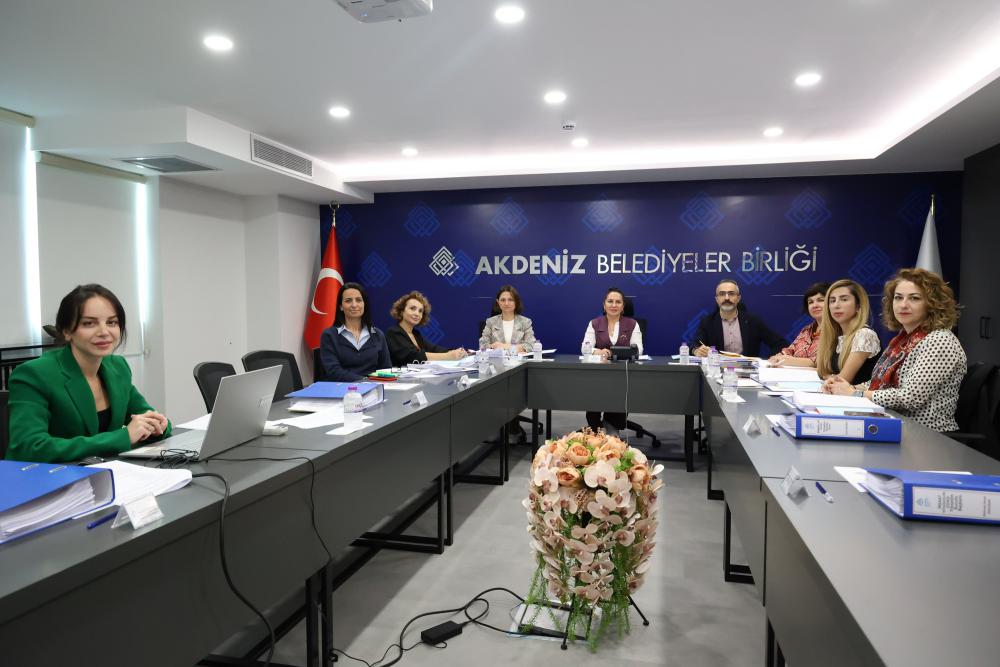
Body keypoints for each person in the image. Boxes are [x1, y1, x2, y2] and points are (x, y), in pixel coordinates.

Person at [7, 284, 171, 463]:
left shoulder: (118, 367)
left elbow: (145, 415)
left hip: (107, 472)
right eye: (89, 323)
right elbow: (28, 447)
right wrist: (123, 437)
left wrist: (158, 425)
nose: (104, 332)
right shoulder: (34, 374)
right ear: (66, 331)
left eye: (112, 322)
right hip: (49, 476)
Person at [824, 268, 966, 432]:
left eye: (914, 298)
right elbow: (875, 383)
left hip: (926, 434)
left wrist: (855, 394)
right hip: (893, 423)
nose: (903, 305)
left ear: (932, 304)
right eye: (898, 298)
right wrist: (842, 387)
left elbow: (911, 398)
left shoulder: (939, 340)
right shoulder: (902, 340)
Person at [581, 287, 643, 431]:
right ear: (604, 305)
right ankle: (595, 430)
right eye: (610, 301)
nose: (614, 305)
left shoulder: (632, 324)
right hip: (598, 375)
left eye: (618, 302)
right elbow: (585, 347)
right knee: (594, 406)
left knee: (615, 416)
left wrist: (617, 353)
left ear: (623, 306)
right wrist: (597, 351)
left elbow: (639, 350)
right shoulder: (594, 323)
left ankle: (612, 430)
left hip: (623, 374)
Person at [693, 279, 786, 357]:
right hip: (718, 370)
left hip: (747, 370)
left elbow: (780, 344)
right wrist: (696, 351)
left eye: (731, 294)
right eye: (722, 294)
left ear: (738, 298)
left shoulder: (753, 321)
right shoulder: (707, 322)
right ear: (717, 299)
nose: (726, 298)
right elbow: (694, 345)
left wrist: (771, 359)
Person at [320, 282, 392, 381]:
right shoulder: (329, 335)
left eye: (358, 300)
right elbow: (333, 371)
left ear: (364, 304)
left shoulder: (378, 335)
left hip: (374, 388)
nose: (354, 305)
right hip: (342, 388)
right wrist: (364, 381)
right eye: (348, 301)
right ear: (341, 306)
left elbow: (386, 369)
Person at [815, 279, 881, 383]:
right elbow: (823, 374)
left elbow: (842, 380)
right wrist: (829, 377)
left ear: (858, 306)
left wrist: (830, 377)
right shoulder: (835, 335)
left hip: (857, 393)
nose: (836, 305)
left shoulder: (865, 335)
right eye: (832, 301)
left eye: (844, 299)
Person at [385, 291, 468, 367]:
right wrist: (448, 356)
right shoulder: (393, 332)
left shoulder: (416, 334)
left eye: (420, 311)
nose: (417, 314)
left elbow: (434, 349)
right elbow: (413, 356)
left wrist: (456, 352)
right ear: (402, 311)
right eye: (412, 308)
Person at [768, 282, 829, 367]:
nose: (814, 305)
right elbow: (790, 350)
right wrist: (777, 357)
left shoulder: (837, 330)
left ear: (831, 303)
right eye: (810, 302)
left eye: (820, 300)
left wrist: (791, 360)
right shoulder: (806, 330)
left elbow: (825, 361)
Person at [478, 285, 537, 352]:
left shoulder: (525, 322)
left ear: (516, 302)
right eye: (503, 300)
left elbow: (531, 345)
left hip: (518, 359)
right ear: (498, 302)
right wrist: (518, 348)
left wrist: (504, 346)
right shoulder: (491, 322)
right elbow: (482, 344)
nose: (506, 303)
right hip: (496, 359)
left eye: (510, 300)